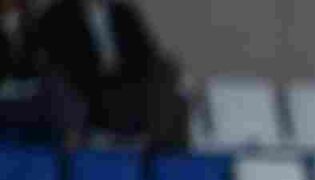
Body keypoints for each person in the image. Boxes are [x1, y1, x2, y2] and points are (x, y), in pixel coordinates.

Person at [33, 0, 187, 147]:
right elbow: (56, 61)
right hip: (85, 89)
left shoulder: (124, 13)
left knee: (166, 77)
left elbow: (147, 56)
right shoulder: (58, 15)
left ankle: (160, 158)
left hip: (127, 87)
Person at [0, 0, 86, 144]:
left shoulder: (36, 21)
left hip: (29, 87)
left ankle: (72, 146)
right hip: (3, 87)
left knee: (58, 87)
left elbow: (45, 59)